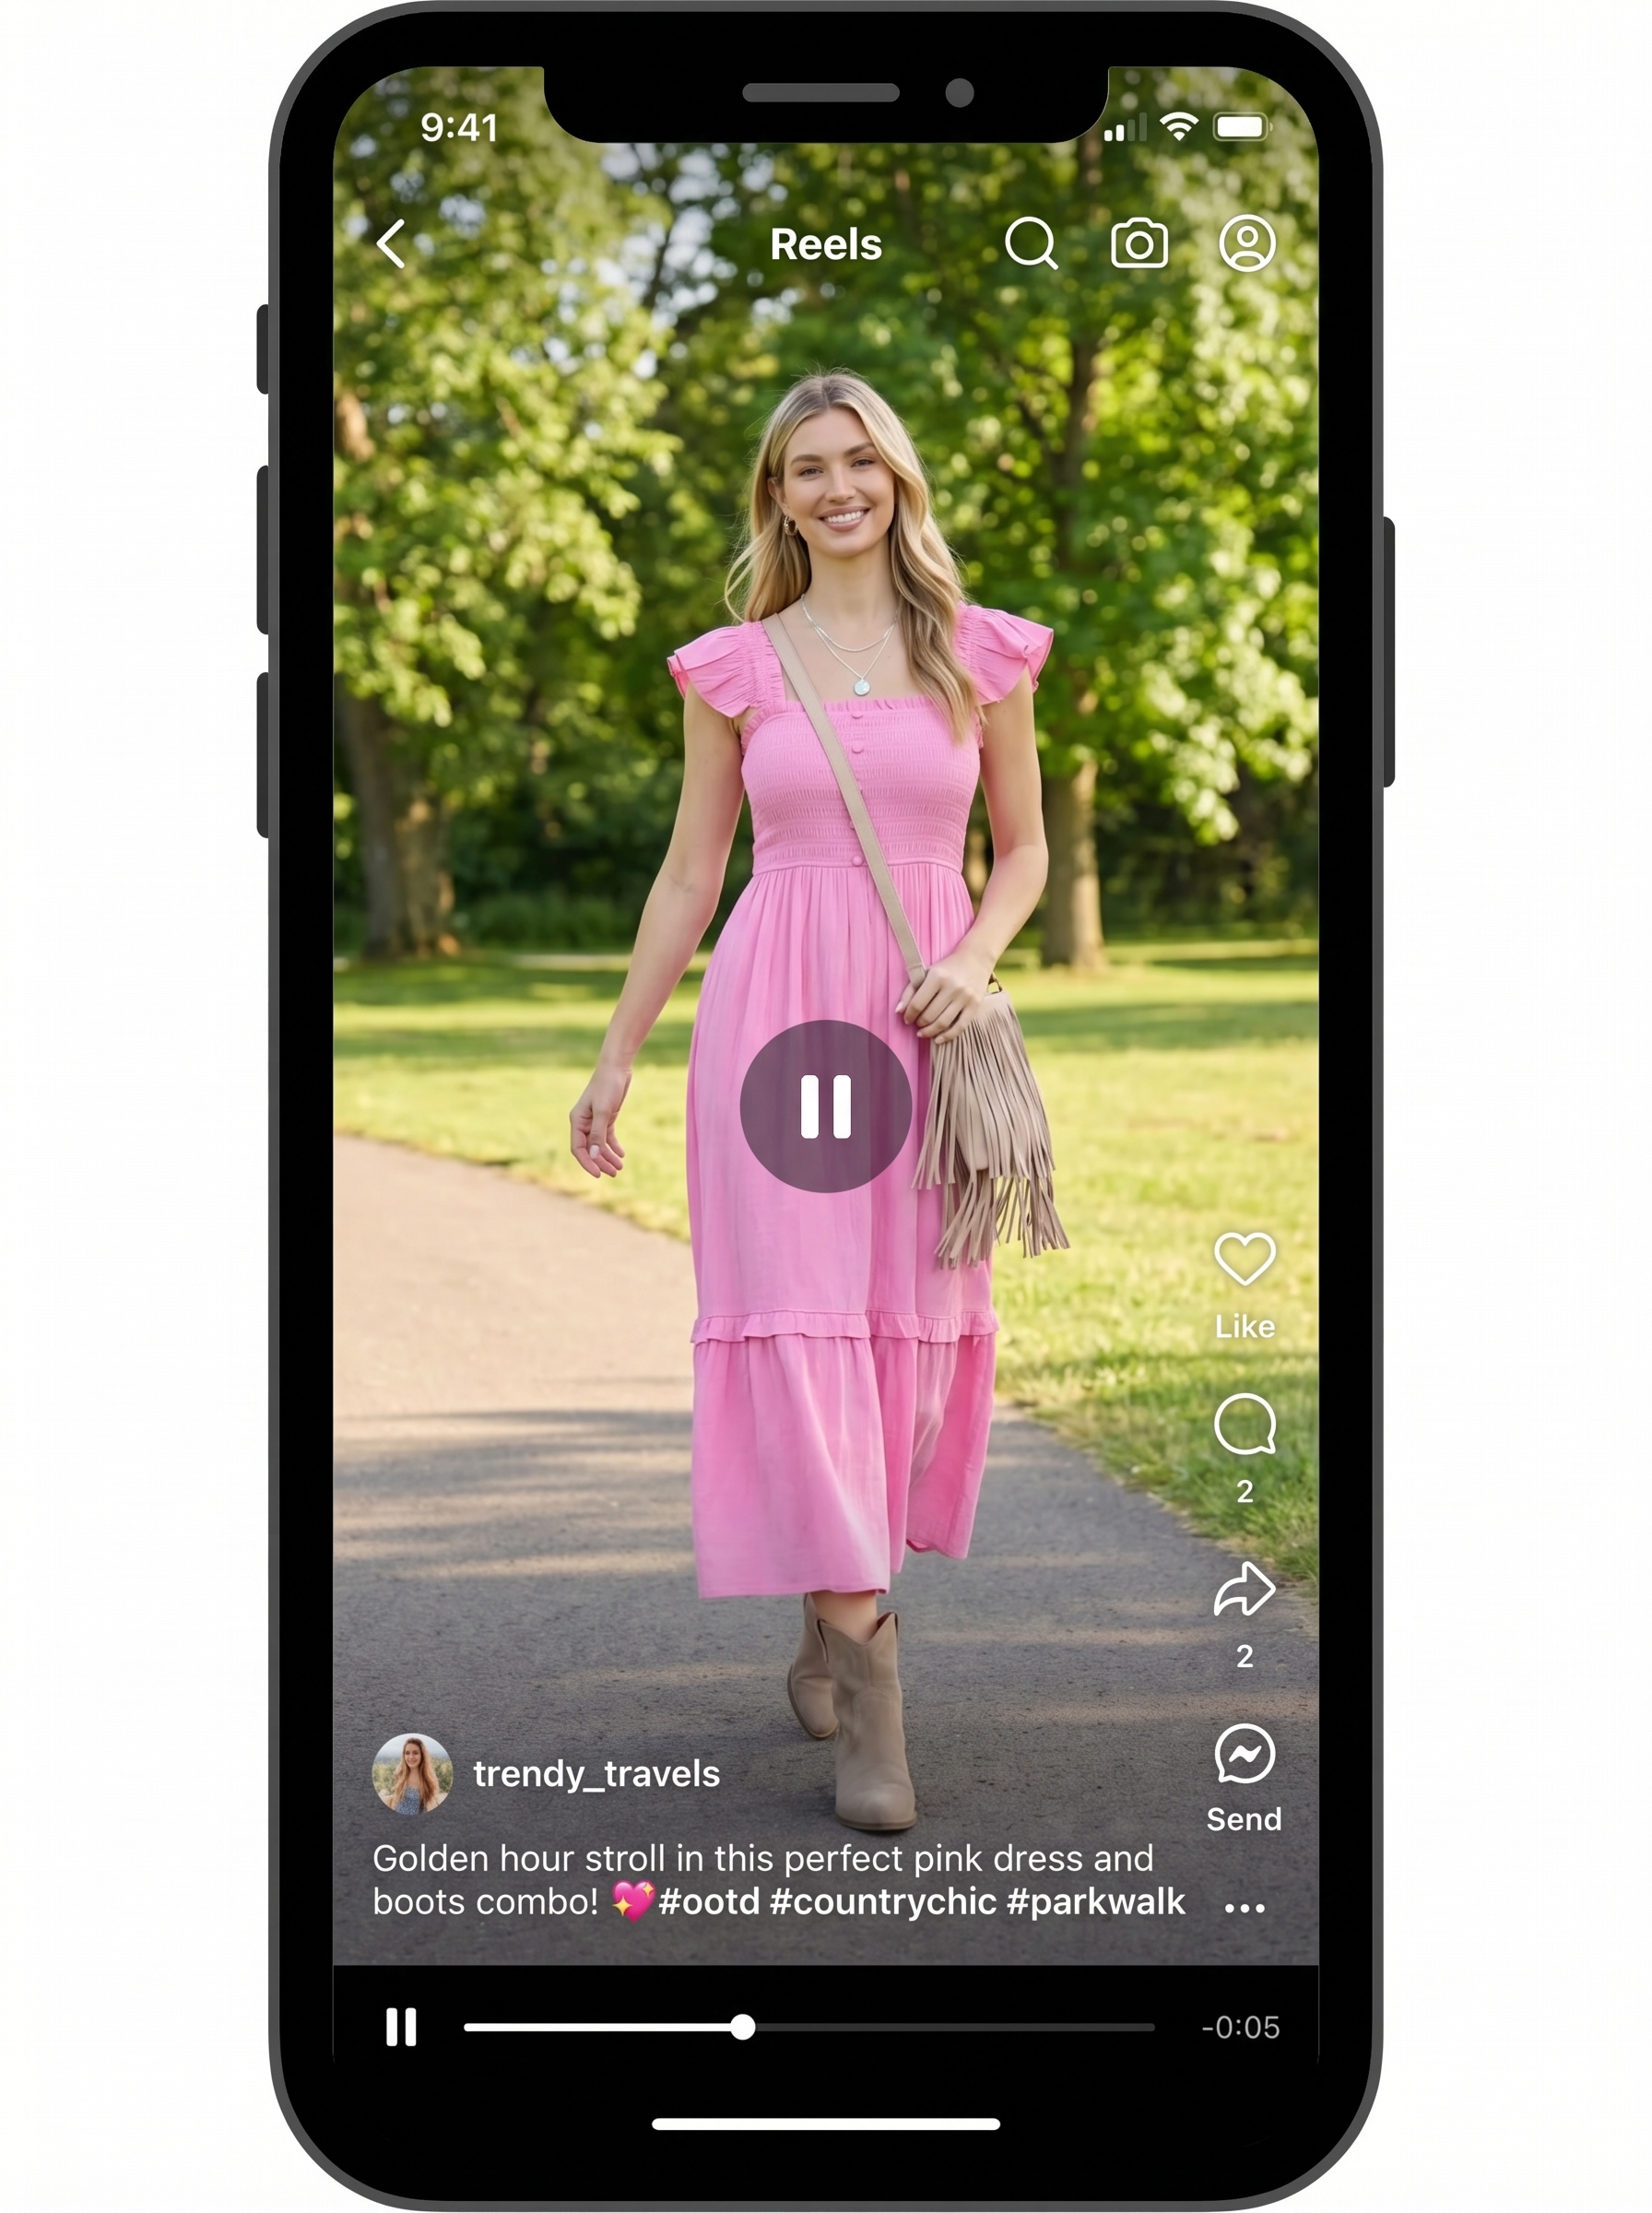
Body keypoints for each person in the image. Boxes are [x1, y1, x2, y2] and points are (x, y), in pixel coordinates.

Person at [570, 371, 1050, 1832]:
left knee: (899, 1356)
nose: (836, 486)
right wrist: (618, 1048)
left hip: (919, 1031)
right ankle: (878, 1693)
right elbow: (687, 875)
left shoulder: (981, 654)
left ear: (897, 479)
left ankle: (827, 1614)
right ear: (777, 497)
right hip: (775, 1026)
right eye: (804, 468)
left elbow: (1021, 852)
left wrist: (974, 960)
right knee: (800, 1328)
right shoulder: (737, 667)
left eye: (859, 461)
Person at [379, 1735, 447, 1816]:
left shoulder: (427, 1779)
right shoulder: (400, 1775)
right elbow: (395, 1797)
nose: (411, 1757)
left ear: (422, 1755)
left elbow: (432, 1802)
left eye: (415, 1753)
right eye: (407, 1753)